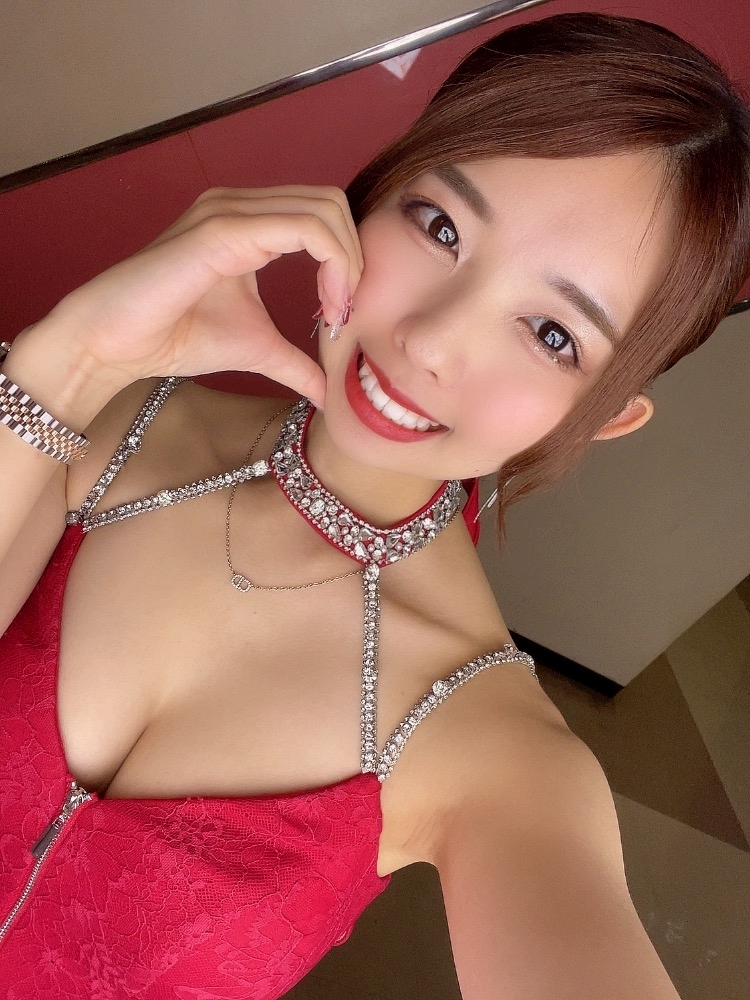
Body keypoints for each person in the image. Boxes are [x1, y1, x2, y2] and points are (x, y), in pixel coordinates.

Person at [0, 11, 748, 999]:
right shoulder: (103, 419)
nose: (432, 340)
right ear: (372, 193)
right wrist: (67, 363)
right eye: (440, 226)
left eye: (552, 334)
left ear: (605, 417)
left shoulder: (497, 754)